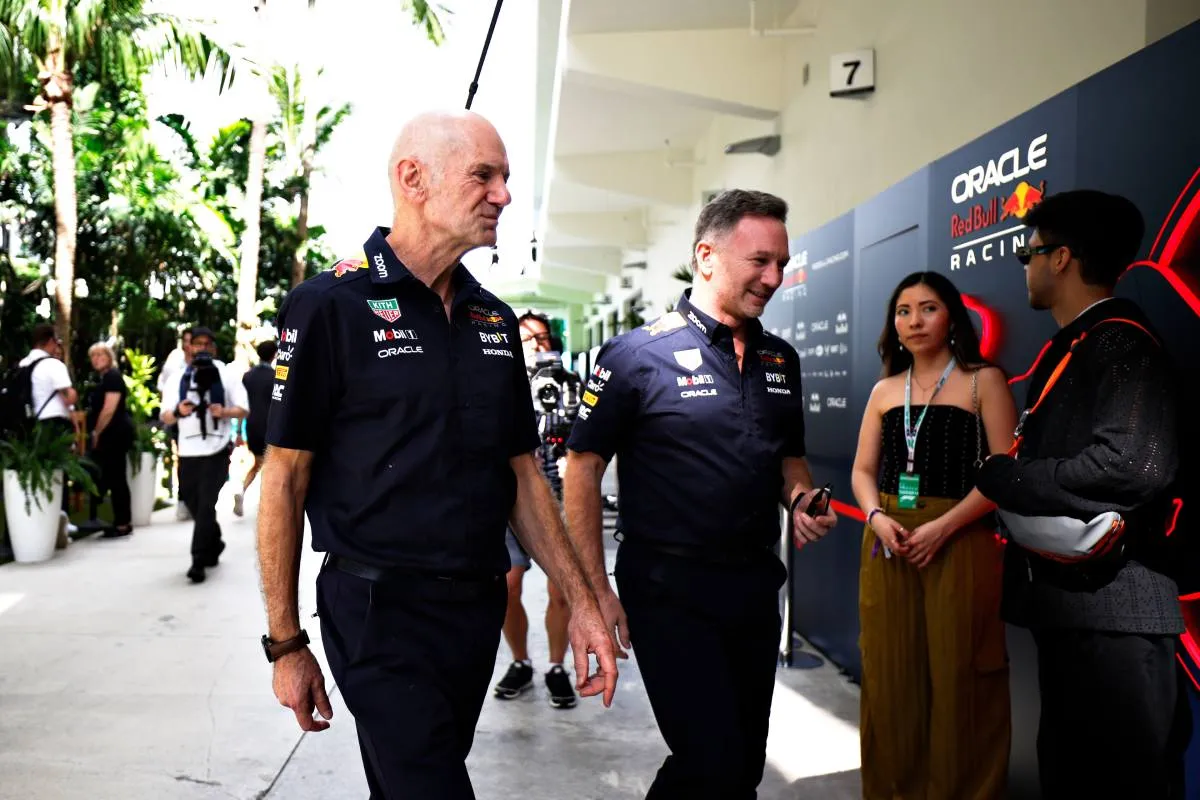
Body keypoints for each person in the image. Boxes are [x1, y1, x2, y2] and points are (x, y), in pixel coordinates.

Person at [255, 109, 618, 799]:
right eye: (485, 175)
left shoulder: (493, 320)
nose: (504, 195)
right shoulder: (330, 304)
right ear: (412, 179)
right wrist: (286, 643)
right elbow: (285, 477)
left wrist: (584, 601)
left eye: (506, 177)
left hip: (473, 609)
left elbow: (521, 476)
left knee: (411, 779)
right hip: (376, 608)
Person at [563, 189, 838, 798]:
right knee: (710, 759)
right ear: (706, 256)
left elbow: (789, 458)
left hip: (753, 587)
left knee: (741, 765)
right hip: (668, 592)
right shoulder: (638, 355)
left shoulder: (779, 360)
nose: (774, 277)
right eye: (759, 261)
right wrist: (594, 589)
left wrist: (799, 499)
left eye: (781, 263)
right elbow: (580, 467)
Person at [976, 190, 1191, 798]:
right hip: (1077, 608)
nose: (1025, 264)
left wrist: (1010, 478)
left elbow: (1136, 464)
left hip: (1118, 616)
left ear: (1061, 257)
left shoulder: (1118, 343)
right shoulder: (1078, 344)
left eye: (1029, 251)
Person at [850, 271, 1017, 799]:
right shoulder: (883, 390)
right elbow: (861, 471)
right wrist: (877, 517)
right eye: (903, 310)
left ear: (951, 317)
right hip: (889, 542)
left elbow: (1002, 472)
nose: (914, 320)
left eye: (928, 308)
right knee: (889, 676)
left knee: (962, 679)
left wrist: (943, 527)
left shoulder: (981, 380)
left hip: (961, 540)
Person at [492, 311, 576, 708]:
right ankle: (521, 661)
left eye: (540, 337)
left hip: (560, 502)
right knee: (507, 585)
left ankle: (557, 667)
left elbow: (584, 439)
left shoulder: (569, 384)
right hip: (510, 503)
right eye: (525, 339)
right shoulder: (499, 381)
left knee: (562, 588)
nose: (534, 345)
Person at [159, 326, 248, 583]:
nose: (202, 349)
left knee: (207, 502)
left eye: (207, 344)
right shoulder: (177, 378)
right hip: (187, 450)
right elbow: (165, 415)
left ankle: (198, 560)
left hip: (217, 448)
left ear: (214, 348)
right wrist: (178, 412)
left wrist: (224, 412)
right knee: (194, 502)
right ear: (188, 347)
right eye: (197, 344)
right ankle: (215, 541)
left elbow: (243, 408)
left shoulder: (226, 373)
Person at [19, 323, 79, 547]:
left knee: (37, 473)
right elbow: (69, 397)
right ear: (51, 341)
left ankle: (39, 517)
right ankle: (61, 518)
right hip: (54, 424)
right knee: (58, 471)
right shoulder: (53, 364)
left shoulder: (24, 363)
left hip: (31, 424)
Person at [85, 342, 134, 538]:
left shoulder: (113, 377)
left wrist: (96, 432)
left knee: (116, 478)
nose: (96, 359)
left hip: (115, 434)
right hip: (111, 434)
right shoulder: (104, 378)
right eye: (93, 356)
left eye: (100, 355)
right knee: (113, 476)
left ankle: (122, 522)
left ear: (109, 356)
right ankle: (121, 520)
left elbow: (108, 410)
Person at [233, 339, 277, 517]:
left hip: (251, 425)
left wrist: (237, 431)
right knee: (269, 464)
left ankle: (244, 491)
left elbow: (241, 405)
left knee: (259, 461)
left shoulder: (248, 376)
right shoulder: (275, 376)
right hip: (270, 425)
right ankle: (266, 502)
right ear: (274, 355)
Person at [159, 328, 193, 521]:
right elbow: (162, 387)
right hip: (178, 418)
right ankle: (183, 499)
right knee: (183, 459)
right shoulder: (174, 363)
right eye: (187, 341)